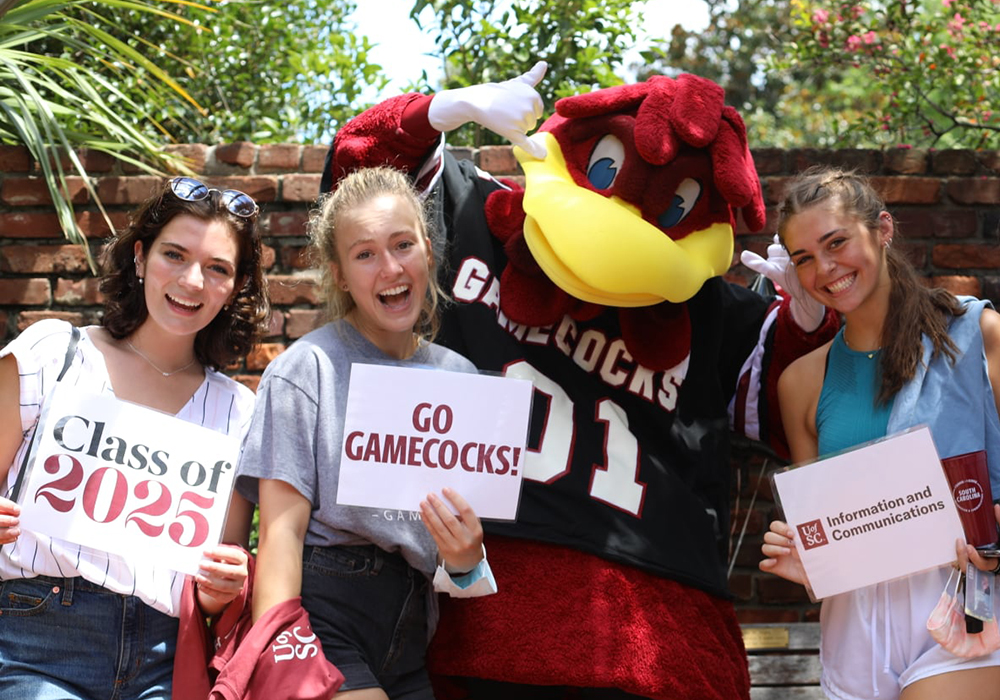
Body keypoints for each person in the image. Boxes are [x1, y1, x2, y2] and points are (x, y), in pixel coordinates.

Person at [320, 64, 839, 699]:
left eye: (676, 204)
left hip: (660, 625)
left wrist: (809, 324)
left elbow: (801, 419)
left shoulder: (715, 310)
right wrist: (440, 111)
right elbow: (357, 195)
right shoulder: (475, 214)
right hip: (487, 599)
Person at [0, 176, 269, 699]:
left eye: (217, 268)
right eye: (175, 254)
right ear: (141, 257)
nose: (192, 280)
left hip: (166, 663)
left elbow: (211, 583)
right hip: (37, 640)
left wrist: (223, 584)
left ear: (234, 287)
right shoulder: (52, 355)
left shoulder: (241, 412)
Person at [235, 166, 496, 700]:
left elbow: (452, 558)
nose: (390, 268)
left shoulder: (461, 380)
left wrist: (468, 562)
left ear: (428, 248)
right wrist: (283, 651)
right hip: (321, 619)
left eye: (402, 244)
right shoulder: (306, 369)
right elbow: (278, 534)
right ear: (339, 274)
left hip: (412, 635)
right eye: (365, 254)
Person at [760, 166, 1000, 699]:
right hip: (853, 623)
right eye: (804, 259)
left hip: (965, 603)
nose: (824, 269)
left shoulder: (979, 336)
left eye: (836, 242)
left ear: (883, 229)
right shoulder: (800, 382)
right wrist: (808, 557)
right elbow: (830, 528)